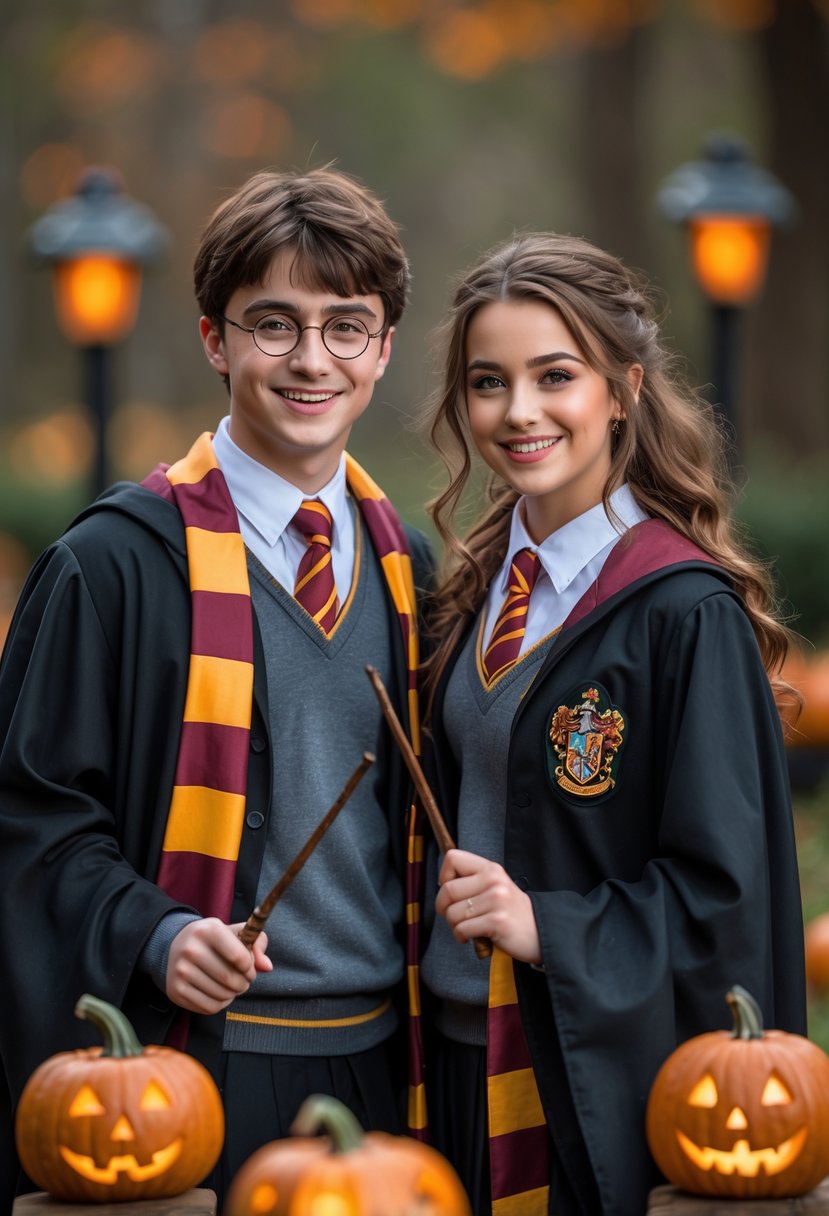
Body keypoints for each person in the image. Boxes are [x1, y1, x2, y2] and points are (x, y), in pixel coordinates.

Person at [0, 166, 433, 1207]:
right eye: (273, 324)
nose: (311, 359)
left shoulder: (409, 569)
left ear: (381, 350)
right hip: (194, 1079)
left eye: (345, 327)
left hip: (391, 1071)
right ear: (215, 340)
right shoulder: (112, 567)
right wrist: (151, 928)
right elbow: (28, 820)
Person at [416, 232, 806, 1216]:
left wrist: (545, 922)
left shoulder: (680, 610)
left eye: (556, 375)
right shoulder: (474, 589)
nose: (519, 412)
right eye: (487, 382)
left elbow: (726, 897)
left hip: (576, 1075)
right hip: (448, 1057)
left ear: (623, 388)